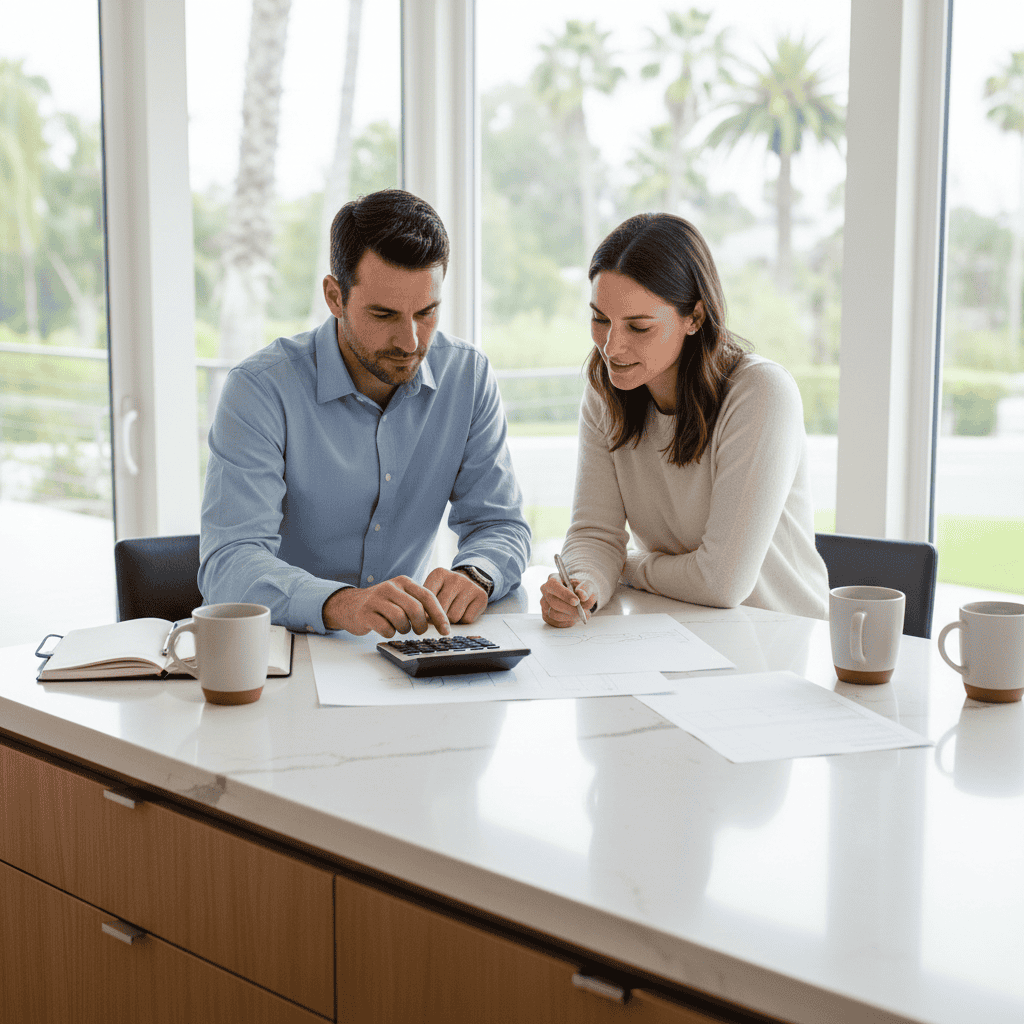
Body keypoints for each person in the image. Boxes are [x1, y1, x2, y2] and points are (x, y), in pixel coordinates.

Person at [200, 189, 531, 637]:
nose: (410, 341)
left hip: (400, 647)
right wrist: (342, 604)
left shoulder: (467, 376)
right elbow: (229, 563)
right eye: (383, 315)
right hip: (286, 648)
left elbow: (500, 523)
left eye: (426, 312)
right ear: (334, 297)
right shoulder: (260, 389)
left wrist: (477, 573)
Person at [541, 213, 829, 627]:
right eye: (600, 320)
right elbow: (595, 534)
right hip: (679, 631)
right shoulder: (606, 391)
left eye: (638, 327)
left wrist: (629, 566)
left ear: (694, 317)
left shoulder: (761, 393)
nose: (612, 347)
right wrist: (583, 585)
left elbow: (722, 583)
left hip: (777, 637)